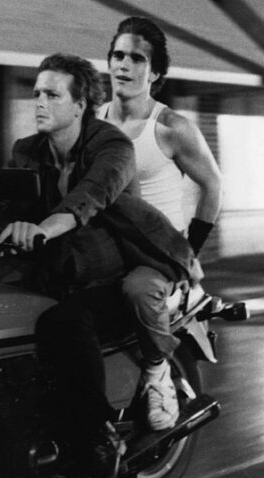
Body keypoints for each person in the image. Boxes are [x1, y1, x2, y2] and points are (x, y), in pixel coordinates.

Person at [0, 53, 193, 478]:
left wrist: (42, 228)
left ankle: (95, 440)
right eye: (36, 92)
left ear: (79, 105)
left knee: (64, 322)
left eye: (52, 94)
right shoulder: (29, 151)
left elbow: (90, 197)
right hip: (60, 268)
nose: (38, 101)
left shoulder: (111, 146)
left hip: (115, 268)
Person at [99, 16, 224, 432]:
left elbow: (213, 186)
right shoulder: (93, 121)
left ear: (155, 74)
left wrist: (189, 251)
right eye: (118, 55)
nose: (125, 65)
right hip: (104, 247)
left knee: (137, 289)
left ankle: (157, 374)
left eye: (137, 58)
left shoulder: (170, 127)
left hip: (155, 252)